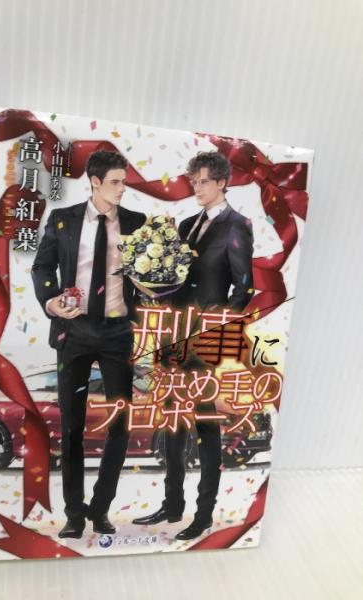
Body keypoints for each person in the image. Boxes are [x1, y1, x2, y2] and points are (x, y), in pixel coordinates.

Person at [133, 151, 254, 540]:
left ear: (222, 182)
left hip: (206, 342)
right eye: (194, 181)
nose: (196, 188)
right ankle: (172, 506)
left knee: (205, 425)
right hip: (173, 338)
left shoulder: (238, 225)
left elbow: (244, 287)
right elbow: (175, 280)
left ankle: (203, 515)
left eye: (203, 181)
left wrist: (217, 331)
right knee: (172, 423)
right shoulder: (186, 224)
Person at [32, 150, 146, 538]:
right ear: (95, 182)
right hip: (73, 331)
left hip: (118, 334)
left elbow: (149, 277)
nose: (122, 188)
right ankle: (74, 514)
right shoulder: (63, 219)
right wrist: (50, 301)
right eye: (115, 181)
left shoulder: (137, 222)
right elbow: (42, 266)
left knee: (120, 426)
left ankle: (100, 509)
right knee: (72, 428)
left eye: (124, 181)